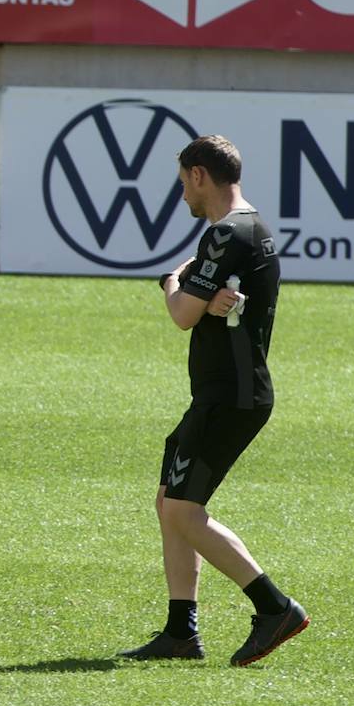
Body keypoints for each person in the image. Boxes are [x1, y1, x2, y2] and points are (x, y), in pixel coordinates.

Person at [119, 135, 307, 666]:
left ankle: (274, 607)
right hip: (226, 392)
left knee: (181, 509)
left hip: (231, 395)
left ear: (200, 174)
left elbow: (182, 313)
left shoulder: (227, 234)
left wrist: (171, 283)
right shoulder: (247, 228)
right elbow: (204, 290)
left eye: (183, 183)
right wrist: (195, 289)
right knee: (168, 503)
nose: (183, 195)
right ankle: (181, 633)